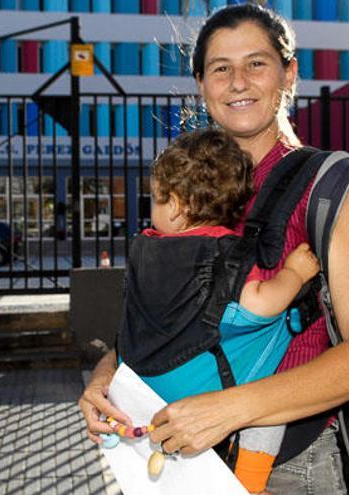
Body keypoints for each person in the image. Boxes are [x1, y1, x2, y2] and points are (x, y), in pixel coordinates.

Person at [79, 4, 349, 494]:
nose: (238, 82)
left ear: (289, 73)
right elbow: (164, 312)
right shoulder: (183, 186)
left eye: (257, 63)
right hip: (167, 453)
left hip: (284, 465)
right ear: (202, 83)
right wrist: (107, 380)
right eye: (221, 68)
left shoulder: (329, 186)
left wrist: (227, 410)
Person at [118, 127, 320, 493]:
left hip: (144, 381)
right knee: (269, 400)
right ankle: (250, 483)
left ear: (176, 205)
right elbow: (261, 304)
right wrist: (294, 272)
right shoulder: (229, 254)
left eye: (155, 199)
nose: (151, 209)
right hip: (201, 383)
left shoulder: (142, 250)